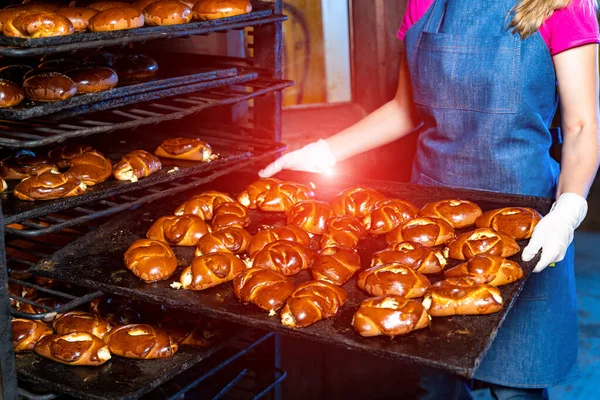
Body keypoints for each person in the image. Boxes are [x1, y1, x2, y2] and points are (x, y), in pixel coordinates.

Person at [259, 0, 600, 398]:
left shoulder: (564, 6)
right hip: (428, 233)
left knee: (511, 388)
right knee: (435, 381)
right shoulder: (425, 4)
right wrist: (322, 152)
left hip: (525, 227)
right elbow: (405, 110)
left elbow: (582, 126)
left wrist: (568, 210)